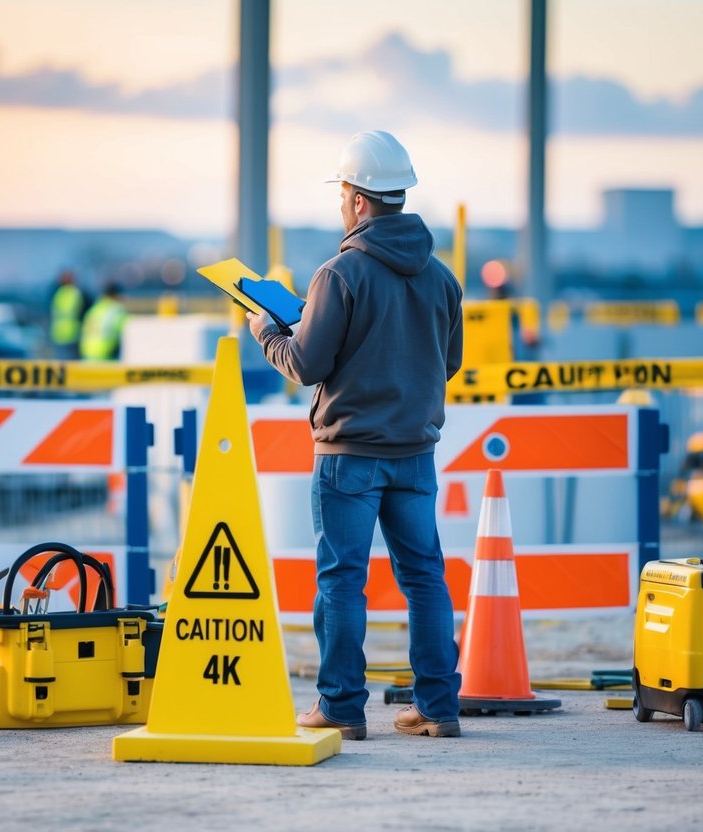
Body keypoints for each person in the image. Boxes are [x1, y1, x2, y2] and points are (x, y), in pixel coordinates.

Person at [247, 130, 464, 739]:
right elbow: (445, 364)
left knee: (342, 579)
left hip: (348, 456)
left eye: (343, 195)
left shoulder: (339, 275)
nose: (342, 206)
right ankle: (438, 708)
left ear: (361, 201)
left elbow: (306, 364)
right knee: (425, 578)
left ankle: (341, 707)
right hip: (415, 455)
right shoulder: (442, 279)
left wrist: (267, 331)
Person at [80, 281, 128, 361]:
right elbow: (127, 329)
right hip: (106, 354)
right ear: (115, 295)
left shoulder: (95, 308)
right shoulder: (116, 310)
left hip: (87, 353)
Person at [49, 269, 89, 360]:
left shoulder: (58, 293)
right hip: (71, 334)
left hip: (59, 334)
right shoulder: (75, 293)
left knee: (63, 364)